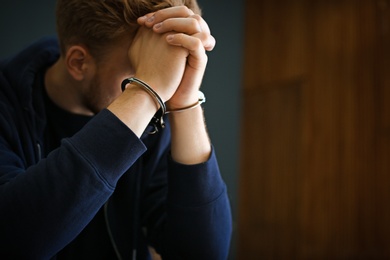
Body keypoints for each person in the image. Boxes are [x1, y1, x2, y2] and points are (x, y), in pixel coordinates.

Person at [0, 0, 232, 259]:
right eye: (143, 71)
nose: (162, 88)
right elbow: (12, 242)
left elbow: (203, 253)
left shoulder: (154, 112)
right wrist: (146, 88)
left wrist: (185, 102)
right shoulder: (6, 105)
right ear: (79, 63)